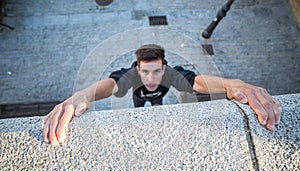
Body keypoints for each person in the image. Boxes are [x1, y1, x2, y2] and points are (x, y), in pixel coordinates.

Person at [43, 44, 282, 147]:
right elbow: (110, 85)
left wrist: (231, 84)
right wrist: (82, 95)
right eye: (145, 72)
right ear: (137, 68)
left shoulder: (170, 74)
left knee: (156, 105)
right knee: (140, 106)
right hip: (138, 100)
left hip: (157, 99)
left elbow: (196, 82)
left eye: (156, 71)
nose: (150, 78)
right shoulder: (131, 76)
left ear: (164, 68)